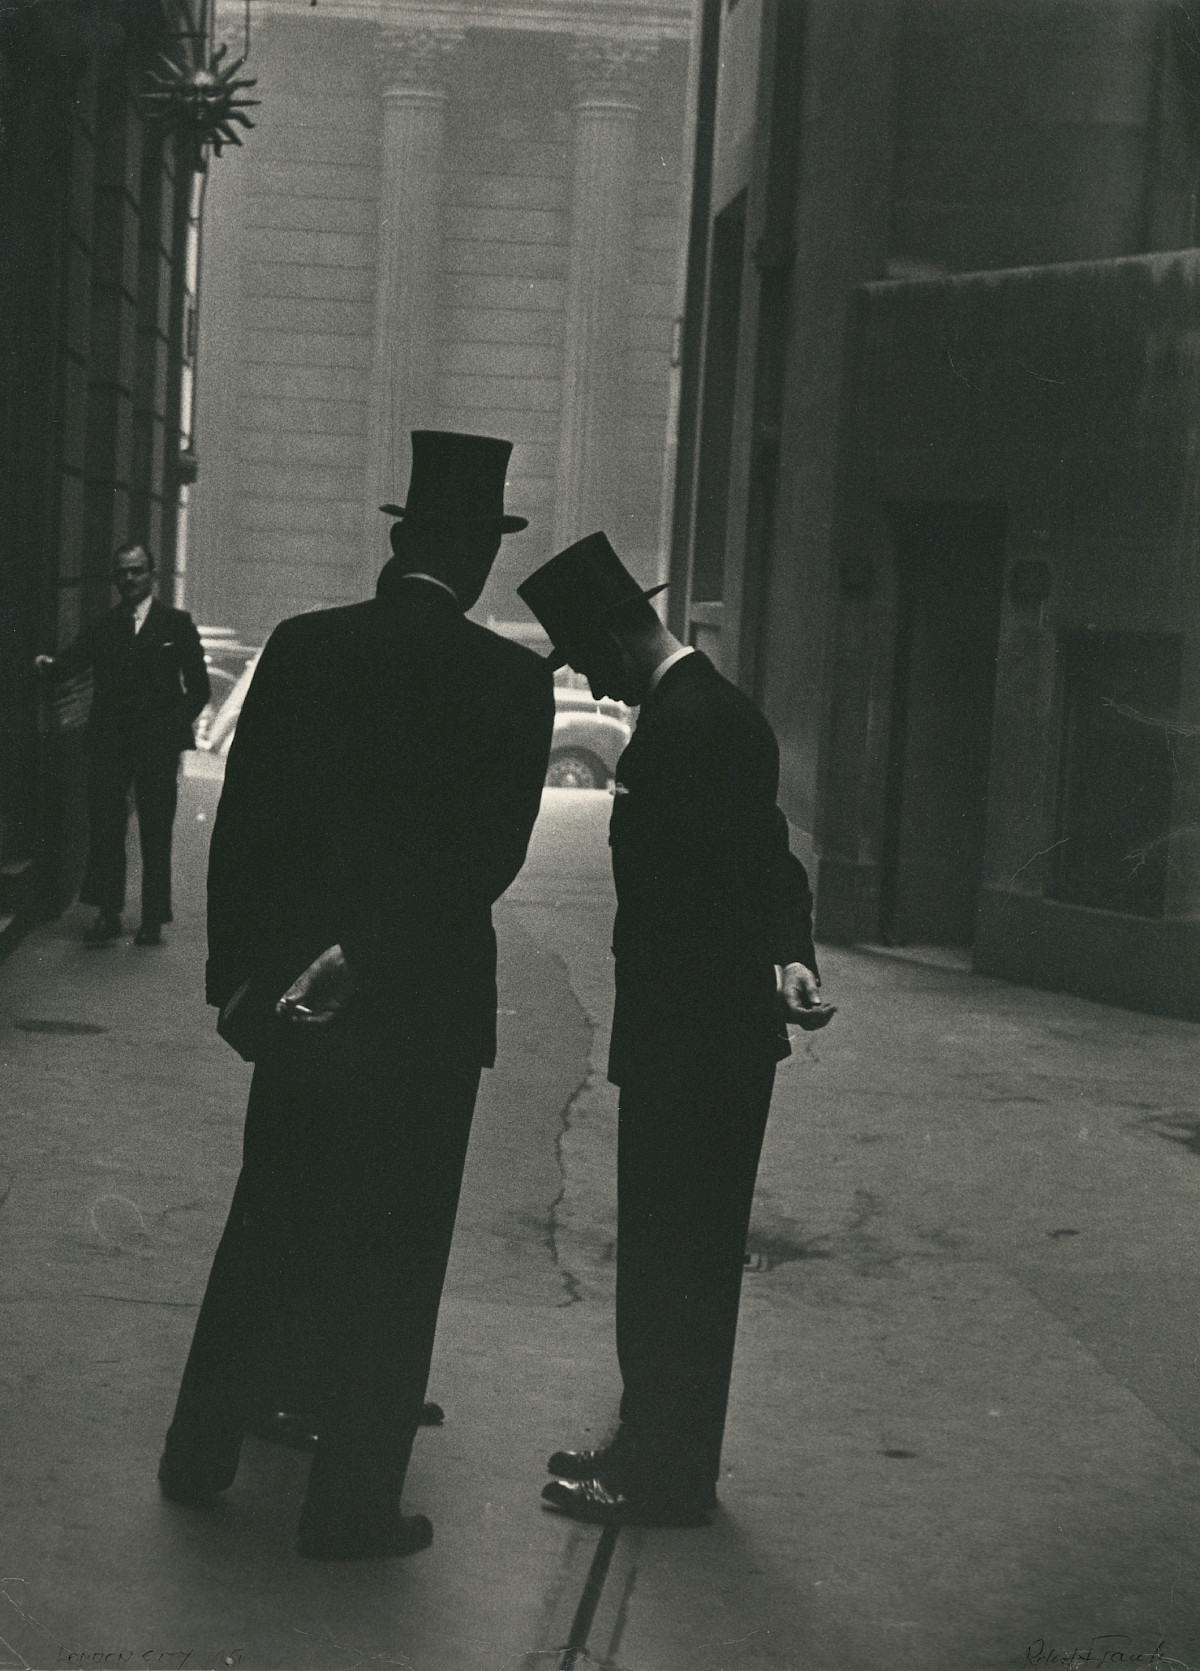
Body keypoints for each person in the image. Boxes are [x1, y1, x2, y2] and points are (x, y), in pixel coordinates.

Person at [157, 432, 555, 1560]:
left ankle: (198, 1458)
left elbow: (245, 831)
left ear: (400, 541)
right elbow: (487, 860)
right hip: (423, 1012)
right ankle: (349, 1510)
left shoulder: (304, 646)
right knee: (397, 1253)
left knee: (268, 1223)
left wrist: (243, 977)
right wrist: (372, 951)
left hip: (294, 1005)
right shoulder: (511, 681)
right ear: (478, 558)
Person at [518, 531, 835, 1526]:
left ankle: (663, 1477)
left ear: (622, 634)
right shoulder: (707, 716)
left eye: (591, 662)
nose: (598, 689)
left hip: (698, 1044)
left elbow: (746, 871)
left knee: (676, 1264)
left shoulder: (695, 724)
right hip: (694, 1037)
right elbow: (767, 862)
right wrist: (790, 953)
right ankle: (651, 1445)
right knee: (668, 1256)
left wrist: (779, 954)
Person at [34, 542, 210, 946]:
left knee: (155, 830)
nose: (129, 579)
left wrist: (173, 726)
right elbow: (72, 662)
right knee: (108, 830)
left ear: (152, 575)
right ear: (115, 577)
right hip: (109, 743)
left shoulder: (176, 624)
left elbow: (198, 688)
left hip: (157, 746)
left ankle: (152, 918)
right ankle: (108, 913)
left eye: (137, 571)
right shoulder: (104, 625)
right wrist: (49, 666)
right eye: (123, 572)